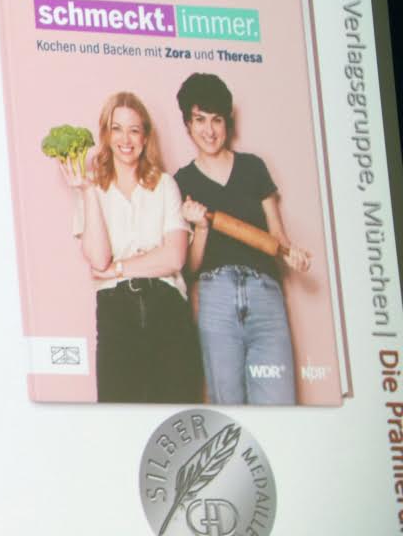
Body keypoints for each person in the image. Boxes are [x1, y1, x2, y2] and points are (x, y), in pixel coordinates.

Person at [174, 72, 310, 405]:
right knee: (230, 412)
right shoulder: (182, 181)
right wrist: (200, 227)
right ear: (188, 125)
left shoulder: (253, 167)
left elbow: (277, 235)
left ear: (227, 122)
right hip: (216, 298)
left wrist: (292, 253)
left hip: (265, 295)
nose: (209, 130)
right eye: (200, 120)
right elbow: (190, 267)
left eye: (216, 120)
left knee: (279, 408)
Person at [61, 91, 202, 403]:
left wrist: (119, 267)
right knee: (118, 413)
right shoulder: (93, 189)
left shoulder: (165, 185)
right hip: (116, 310)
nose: (126, 139)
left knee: (175, 408)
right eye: (117, 129)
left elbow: (175, 257)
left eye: (134, 130)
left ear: (145, 137)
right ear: (106, 135)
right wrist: (88, 191)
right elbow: (98, 259)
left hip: (166, 305)